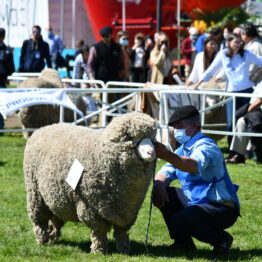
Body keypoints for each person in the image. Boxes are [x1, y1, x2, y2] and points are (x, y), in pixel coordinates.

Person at [153, 105, 240, 255]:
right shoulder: (183, 149)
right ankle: (183, 243)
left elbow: (193, 165)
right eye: (174, 127)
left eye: (180, 126)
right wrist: (159, 185)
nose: (176, 131)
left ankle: (222, 240)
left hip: (221, 207)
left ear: (195, 125)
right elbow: (165, 171)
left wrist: (167, 154)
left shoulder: (206, 146)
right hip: (198, 203)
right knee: (165, 193)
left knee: (180, 219)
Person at [196, 33, 262, 132]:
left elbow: (260, 61)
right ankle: (232, 145)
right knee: (231, 121)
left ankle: (247, 144)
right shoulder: (223, 54)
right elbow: (211, 69)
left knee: (246, 119)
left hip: (246, 91)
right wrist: (197, 84)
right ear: (229, 42)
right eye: (236, 42)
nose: (238, 44)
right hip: (231, 92)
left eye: (240, 42)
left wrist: (255, 75)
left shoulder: (246, 54)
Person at [226, 83, 262, 164]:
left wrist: (246, 111)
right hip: (256, 113)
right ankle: (239, 154)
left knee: (244, 120)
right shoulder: (260, 83)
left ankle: (243, 154)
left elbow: (259, 101)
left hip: (257, 113)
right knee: (241, 121)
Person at [0, 27, 15, 131]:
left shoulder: (7, 51)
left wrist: (4, 74)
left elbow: (11, 67)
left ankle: (0, 125)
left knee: (0, 105)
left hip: (1, 81)